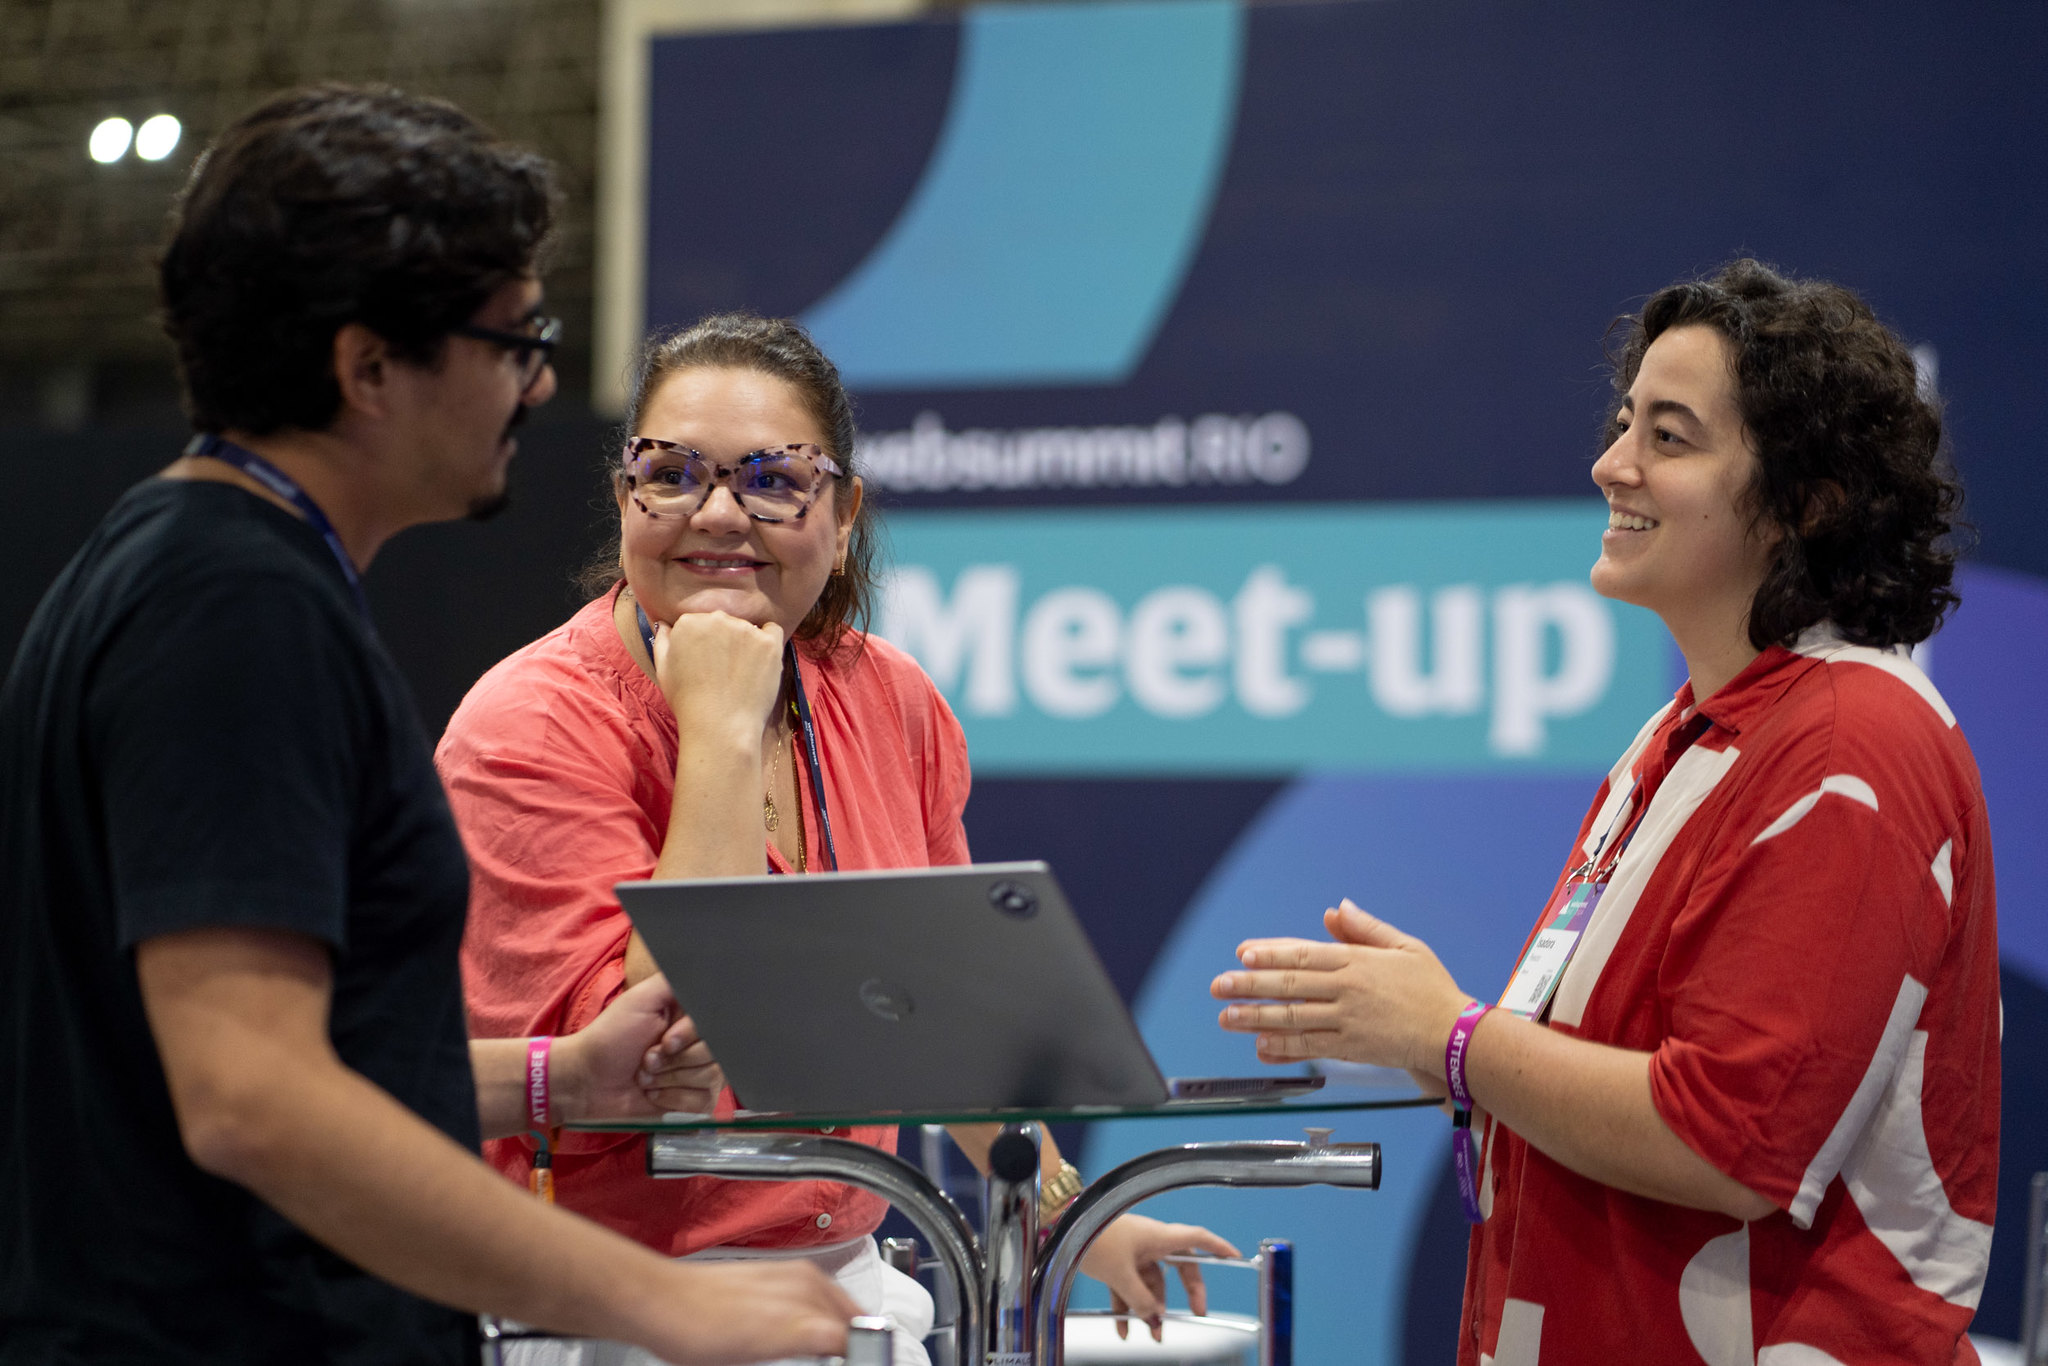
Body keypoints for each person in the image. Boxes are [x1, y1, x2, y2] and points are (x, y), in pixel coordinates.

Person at [0, 86, 860, 1366]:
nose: (540, 379)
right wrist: (663, 1300)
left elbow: (306, 1057)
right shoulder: (232, 608)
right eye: (511, 337)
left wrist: (556, 1082)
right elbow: (251, 1098)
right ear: (369, 369)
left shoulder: (212, 573)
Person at [1210, 260, 1997, 1363]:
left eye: (1668, 438)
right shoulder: (1686, 735)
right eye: (1624, 421)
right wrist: (1416, 1028)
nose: (1608, 463)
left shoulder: (1848, 747)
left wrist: (1449, 1033)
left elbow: (1727, 1140)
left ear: (1806, 500)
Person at [438, 313, 1238, 1366]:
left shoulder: (889, 696)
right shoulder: (529, 724)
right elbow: (653, 1062)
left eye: (772, 479)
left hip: (847, 1282)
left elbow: (946, 1020)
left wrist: (1070, 1215)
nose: (716, 514)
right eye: (670, 473)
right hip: (602, 1301)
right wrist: (719, 733)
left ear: (844, 510)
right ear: (623, 492)